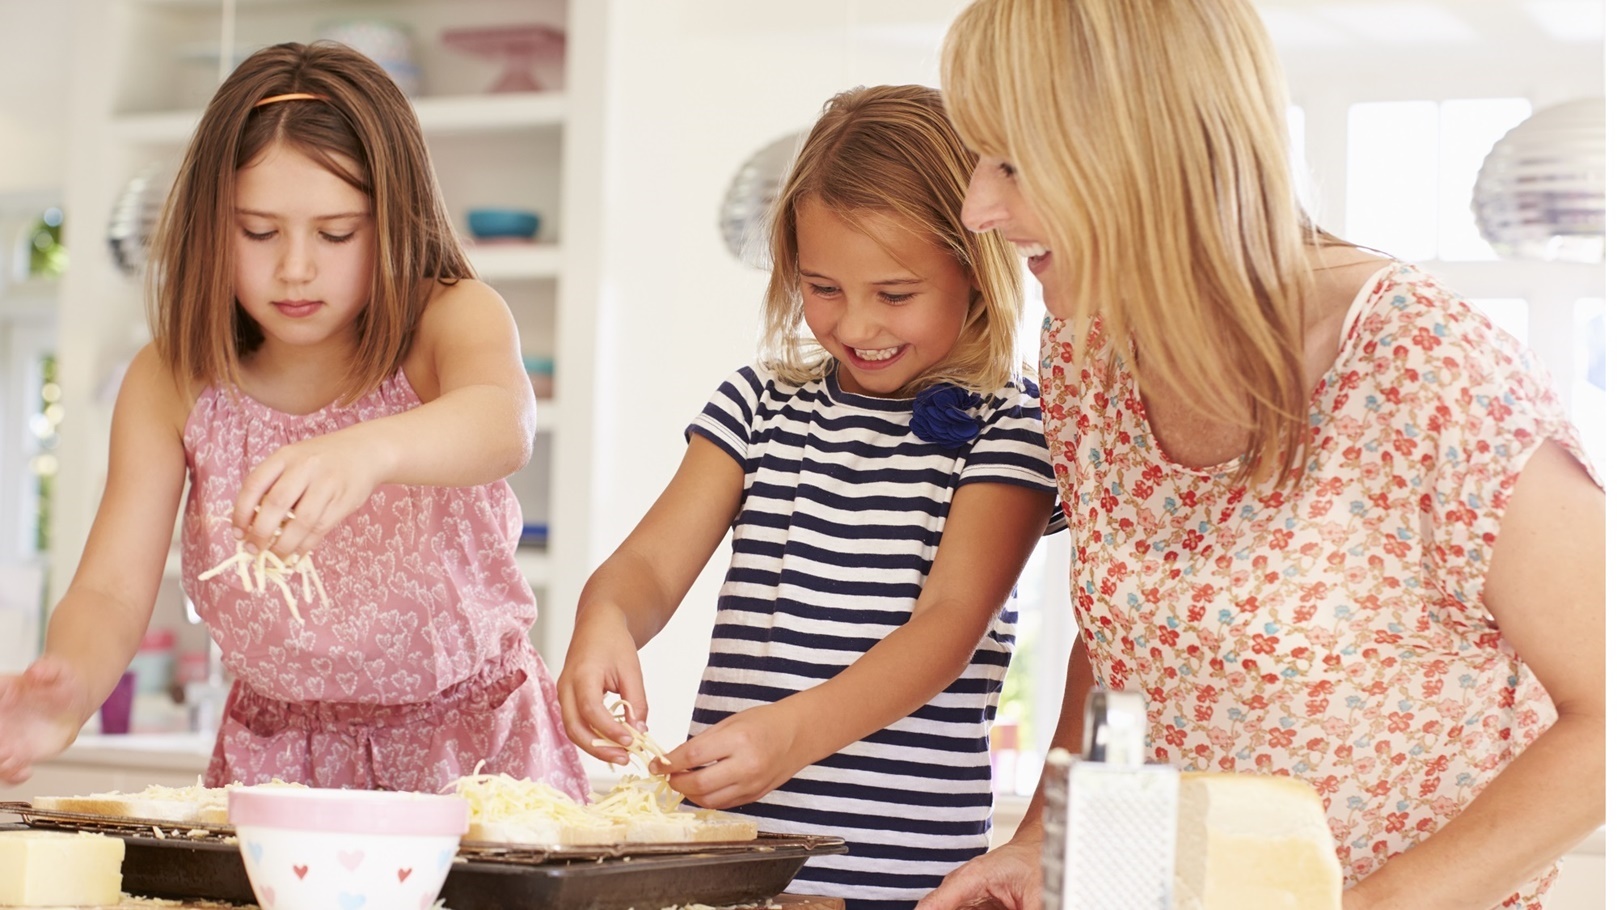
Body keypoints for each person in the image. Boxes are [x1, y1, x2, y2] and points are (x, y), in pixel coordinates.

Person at [917, 2, 1605, 909]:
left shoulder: (1423, 370)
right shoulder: (1088, 353)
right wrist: (1046, 834)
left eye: (1011, 161)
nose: (977, 206)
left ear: (1143, 143)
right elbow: (1128, 640)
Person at [0, 41, 589, 799]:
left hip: (472, 753)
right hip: (279, 765)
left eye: (336, 232)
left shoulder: (446, 317)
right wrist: (69, 692)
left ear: (392, 222)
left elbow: (501, 422)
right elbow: (112, 591)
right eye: (258, 231)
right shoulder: (172, 377)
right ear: (211, 227)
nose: (296, 268)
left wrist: (367, 453)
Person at [557, 84, 1061, 907]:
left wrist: (792, 734)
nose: (856, 324)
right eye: (823, 288)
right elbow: (648, 565)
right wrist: (602, 620)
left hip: (903, 877)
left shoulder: (1008, 425)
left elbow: (950, 625)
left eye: (895, 294)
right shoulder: (758, 404)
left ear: (975, 269)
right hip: (732, 868)